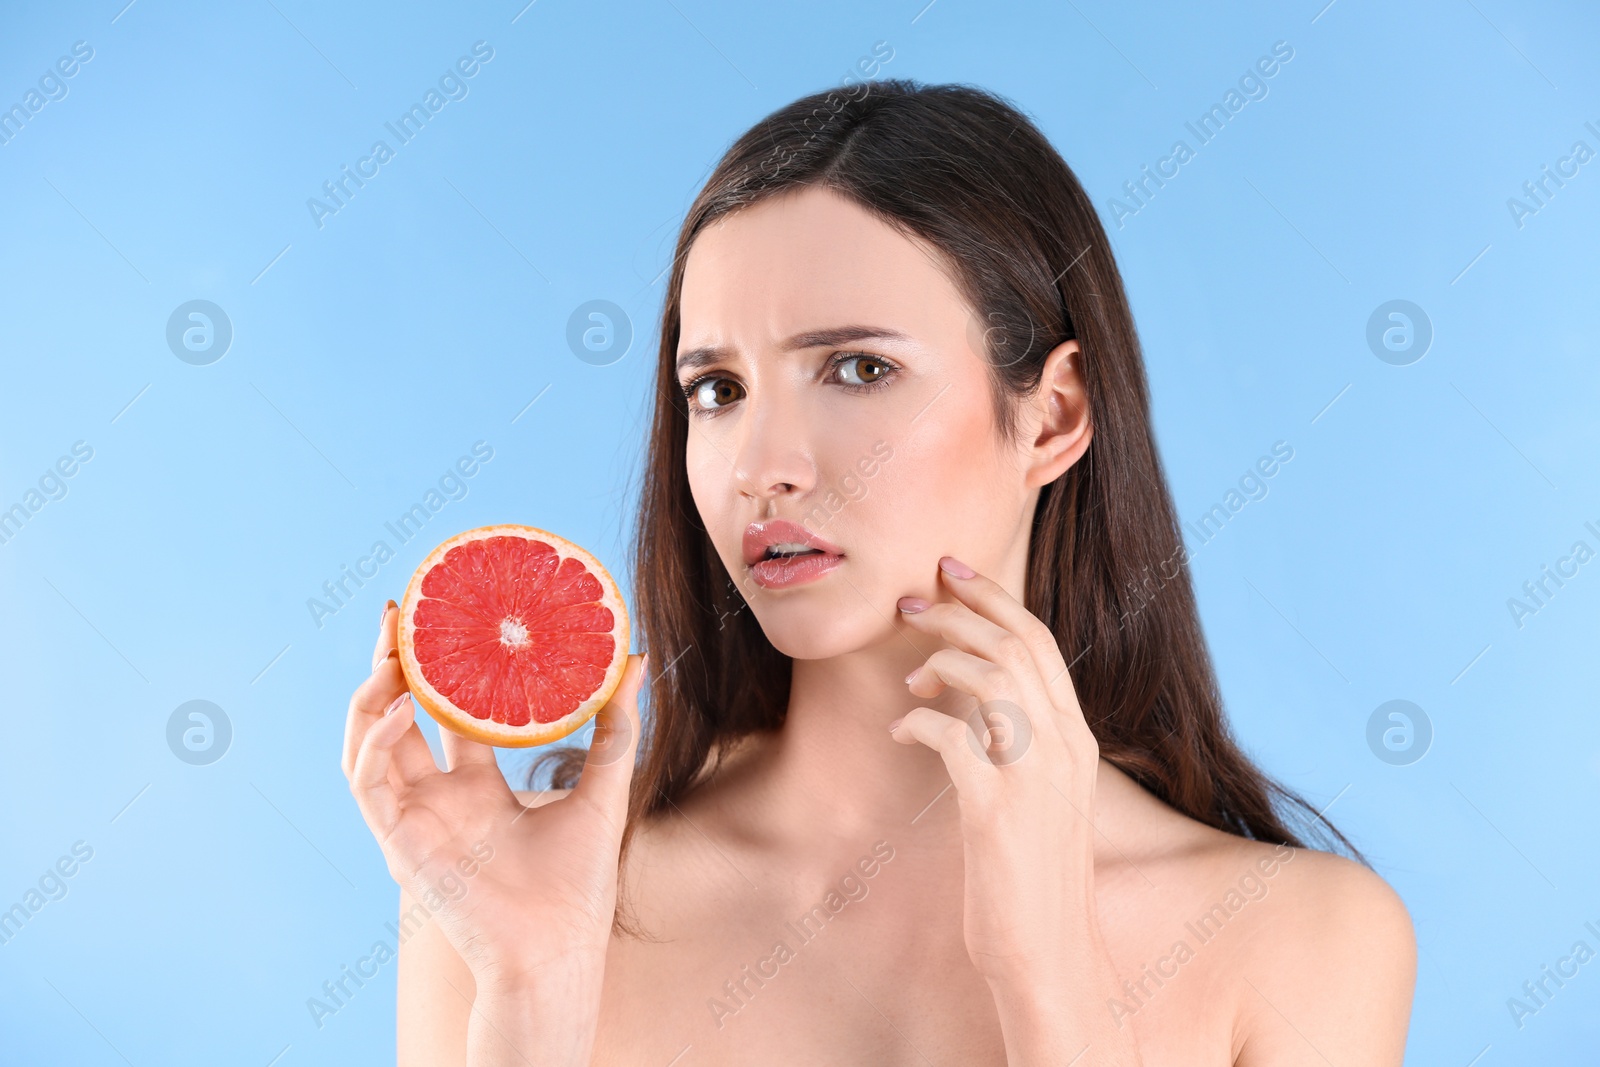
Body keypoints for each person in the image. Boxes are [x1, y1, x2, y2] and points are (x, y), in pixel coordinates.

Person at [344, 79, 1416, 1065]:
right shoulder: (514, 894)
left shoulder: (1301, 938)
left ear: (1053, 415)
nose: (763, 466)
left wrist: (1047, 969)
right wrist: (532, 989)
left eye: (859, 369)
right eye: (716, 389)